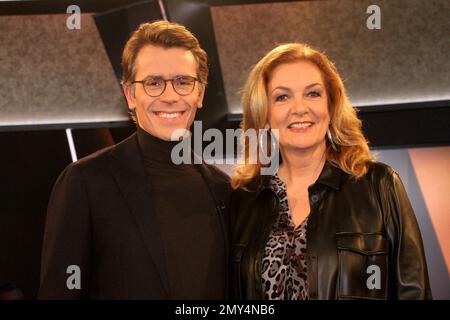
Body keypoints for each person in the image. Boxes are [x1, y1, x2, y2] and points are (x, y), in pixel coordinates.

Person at [39, 20, 231, 299]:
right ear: (130, 94)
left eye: (182, 82)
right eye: (153, 83)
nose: (170, 96)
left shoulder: (223, 190)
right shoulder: (86, 182)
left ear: (199, 93)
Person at [230, 43, 432, 300]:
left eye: (313, 94)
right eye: (282, 97)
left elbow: (415, 292)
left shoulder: (379, 185)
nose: (300, 108)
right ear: (265, 115)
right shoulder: (243, 198)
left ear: (331, 106)